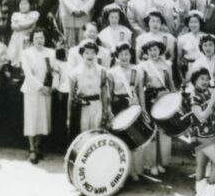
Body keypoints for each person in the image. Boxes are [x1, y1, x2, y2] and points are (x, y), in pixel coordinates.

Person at [107, 42, 146, 181]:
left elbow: (140, 91)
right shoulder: (111, 72)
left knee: (135, 138)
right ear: (117, 56)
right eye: (121, 54)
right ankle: (121, 172)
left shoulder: (137, 70)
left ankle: (134, 170)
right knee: (121, 139)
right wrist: (110, 111)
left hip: (134, 105)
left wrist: (144, 109)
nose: (124, 57)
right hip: (119, 106)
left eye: (127, 54)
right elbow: (109, 94)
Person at [189, 68, 215, 196]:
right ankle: (210, 195)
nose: (205, 81)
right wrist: (212, 101)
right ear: (195, 81)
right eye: (201, 79)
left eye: (206, 79)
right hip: (201, 135)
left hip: (207, 133)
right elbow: (201, 117)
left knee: (201, 164)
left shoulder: (206, 92)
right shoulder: (194, 96)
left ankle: (200, 193)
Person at [21, 28, 57, 163]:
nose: (39, 40)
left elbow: (54, 72)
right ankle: (31, 148)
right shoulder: (26, 53)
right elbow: (28, 74)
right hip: (32, 90)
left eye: (41, 37)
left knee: (43, 119)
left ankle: (37, 147)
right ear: (32, 39)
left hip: (46, 91)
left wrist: (52, 87)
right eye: (36, 38)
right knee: (32, 119)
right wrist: (40, 87)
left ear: (45, 38)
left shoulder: (51, 52)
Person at [141, 39, 177, 175]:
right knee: (152, 131)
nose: (153, 53)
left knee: (163, 130)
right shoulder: (143, 66)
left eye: (155, 50)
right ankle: (151, 163)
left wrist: (175, 97)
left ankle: (162, 162)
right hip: (150, 97)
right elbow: (141, 86)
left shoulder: (167, 64)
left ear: (160, 50)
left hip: (164, 97)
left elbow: (170, 83)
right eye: (150, 50)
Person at [67, 40, 111, 136]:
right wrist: (69, 117)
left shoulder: (102, 71)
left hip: (97, 106)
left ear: (96, 55)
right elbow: (71, 96)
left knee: (96, 134)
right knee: (84, 135)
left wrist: (105, 111)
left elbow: (104, 93)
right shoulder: (74, 73)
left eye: (92, 53)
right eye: (87, 53)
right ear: (82, 54)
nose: (90, 55)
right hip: (82, 108)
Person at [7, 0, 40, 67]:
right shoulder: (15, 14)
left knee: (27, 55)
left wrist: (19, 24)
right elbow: (13, 26)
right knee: (16, 56)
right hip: (16, 39)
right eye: (21, 4)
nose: (23, 6)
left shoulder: (34, 14)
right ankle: (17, 69)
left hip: (27, 38)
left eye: (25, 4)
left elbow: (29, 24)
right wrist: (23, 25)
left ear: (30, 5)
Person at [176, 10, 206, 85]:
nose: (193, 25)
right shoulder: (182, 38)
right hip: (189, 69)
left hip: (203, 68)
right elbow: (179, 59)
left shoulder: (206, 37)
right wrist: (181, 77)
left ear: (200, 23)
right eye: (191, 22)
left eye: (196, 22)